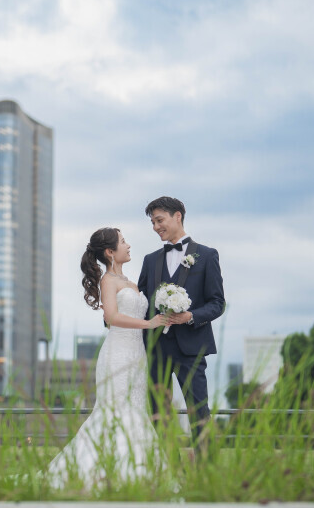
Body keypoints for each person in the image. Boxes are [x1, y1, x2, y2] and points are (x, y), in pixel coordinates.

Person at [47, 227, 169, 490]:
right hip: (116, 355)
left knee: (136, 410)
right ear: (110, 252)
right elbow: (111, 317)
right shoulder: (108, 281)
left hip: (136, 355)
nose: (128, 245)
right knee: (115, 412)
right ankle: (105, 476)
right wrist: (149, 324)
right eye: (123, 242)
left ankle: (137, 474)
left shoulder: (133, 283)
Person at [138, 196, 225, 447]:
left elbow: (217, 303)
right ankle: (168, 476)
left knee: (199, 413)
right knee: (159, 416)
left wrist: (190, 316)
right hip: (156, 350)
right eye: (153, 222)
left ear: (177, 216)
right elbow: (142, 303)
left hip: (192, 351)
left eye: (159, 220)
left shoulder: (207, 256)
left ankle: (205, 475)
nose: (155, 227)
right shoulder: (150, 260)